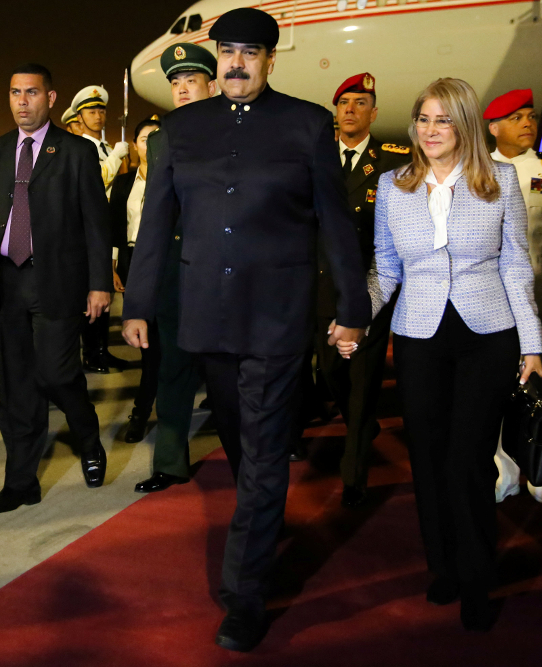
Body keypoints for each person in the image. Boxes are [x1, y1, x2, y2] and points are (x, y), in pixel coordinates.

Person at [121, 8, 369, 651]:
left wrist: (352, 304)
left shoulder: (307, 124)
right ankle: (259, 513)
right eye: (227, 52)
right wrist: (139, 304)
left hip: (277, 315)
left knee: (261, 453)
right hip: (206, 314)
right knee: (239, 440)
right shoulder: (178, 130)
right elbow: (155, 225)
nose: (236, 63)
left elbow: (334, 222)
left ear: (270, 60)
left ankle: (244, 595)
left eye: (250, 54)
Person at [352, 77, 542, 631]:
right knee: (429, 460)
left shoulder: (500, 179)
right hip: (418, 336)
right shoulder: (394, 184)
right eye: (423, 119)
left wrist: (531, 341)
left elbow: (515, 264)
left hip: (487, 334)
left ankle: (478, 575)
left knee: (468, 460)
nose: (430, 130)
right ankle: (444, 567)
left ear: (465, 125)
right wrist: (357, 319)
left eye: (443, 120)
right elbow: (385, 268)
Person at [0, 63, 113, 513]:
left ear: (51, 98)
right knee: (18, 388)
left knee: (56, 374)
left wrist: (100, 283)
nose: (22, 101)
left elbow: (96, 226)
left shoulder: (76, 151)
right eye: (14, 93)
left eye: (31, 93)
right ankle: (20, 482)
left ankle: (87, 436)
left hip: (58, 282)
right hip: (6, 282)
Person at [316, 71, 409, 509]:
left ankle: (354, 477)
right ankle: (362, 422)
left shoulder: (392, 161)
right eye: (343, 103)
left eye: (359, 102)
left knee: (363, 380)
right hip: (322, 286)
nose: (350, 110)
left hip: (371, 283)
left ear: (373, 112)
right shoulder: (316, 158)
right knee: (331, 370)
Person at [132, 42, 219, 492]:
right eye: (176, 83)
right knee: (173, 373)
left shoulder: (238, 131)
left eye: (191, 81)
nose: (182, 90)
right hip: (176, 275)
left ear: (213, 84)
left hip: (227, 276)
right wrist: (137, 304)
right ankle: (168, 462)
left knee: (236, 373)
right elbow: (153, 225)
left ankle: (263, 451)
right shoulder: (163, 139)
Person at [485, 88, 542, 505]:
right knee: (499, 382)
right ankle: (504, 469)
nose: (527, 122)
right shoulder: (477, 170)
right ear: (494, 127)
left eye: (530, 115)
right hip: (492, 295)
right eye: (516, 117)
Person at [69, 85, 128, 374]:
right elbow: (98, 180)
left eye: (102, 110)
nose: (98, 115)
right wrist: (117, 158)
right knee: (92, 291)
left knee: (107, 292)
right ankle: (92, 353)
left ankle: (102, 350)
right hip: (88, 229)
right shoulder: (81, 147)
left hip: (108, 225)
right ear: (79, 117)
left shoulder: (102, 147)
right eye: (91, 111)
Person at [111, 116, 162, 443]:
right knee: (146, 343)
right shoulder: (125, 183)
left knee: (158, 344)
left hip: (165, 263)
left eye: (158, 138)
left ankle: (141, 411)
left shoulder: (173, 179)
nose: (150, 145)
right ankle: (143, 409)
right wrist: (112, 266)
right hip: (131, 261)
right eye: (145, 139)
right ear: (135, 145)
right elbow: (114, 227)